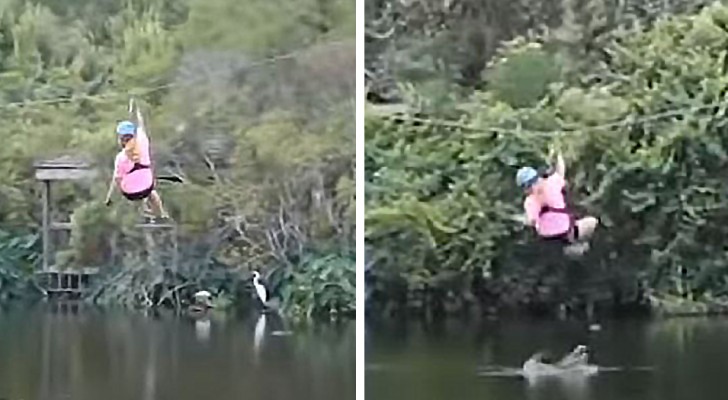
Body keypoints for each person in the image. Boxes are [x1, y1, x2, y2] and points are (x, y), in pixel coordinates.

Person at [515, 152, 598, 256]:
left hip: (546, 236)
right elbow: (561, 171)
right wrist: (559, 155)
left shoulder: (530, 201)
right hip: (565, 231)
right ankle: (580, 244)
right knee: (592, 222)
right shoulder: (551, 183)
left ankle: (573, 246)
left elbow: (531, 220)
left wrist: (525, 220)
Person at [104, 102, 169, 222]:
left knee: (130, 182)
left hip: (131, 193)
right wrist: (137, 110)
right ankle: (160, 213)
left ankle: (143, 208)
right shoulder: (142, 141)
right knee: (151, 191)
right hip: (147, 186)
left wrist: (110, 198)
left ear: (121, 140)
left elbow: (117, 180)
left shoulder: (121, 158)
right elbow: (141, 124)